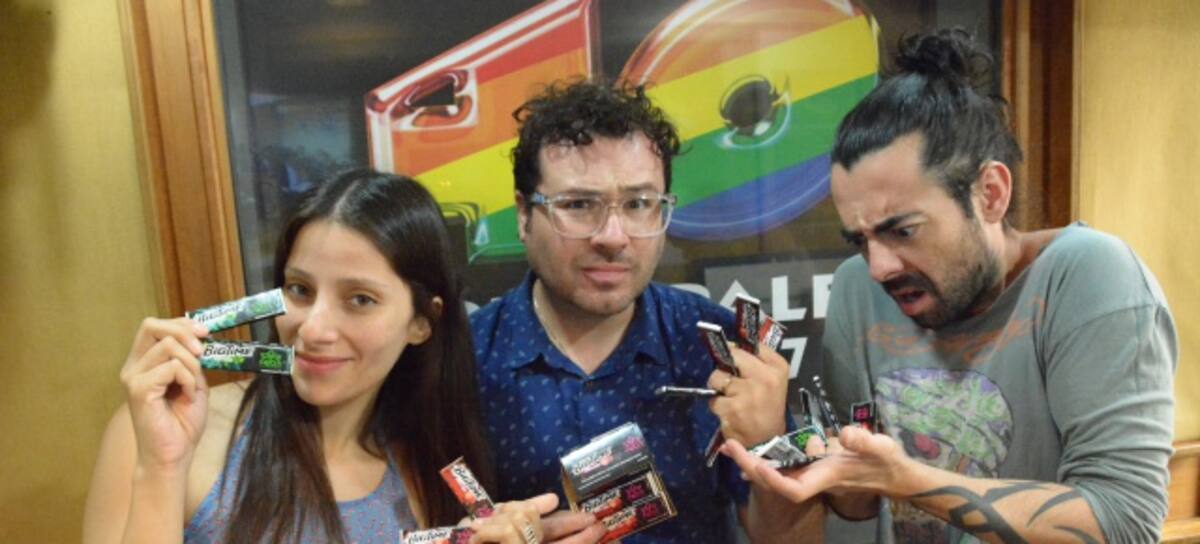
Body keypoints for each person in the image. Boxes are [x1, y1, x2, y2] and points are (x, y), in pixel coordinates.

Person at [721, 29, 1177, 543]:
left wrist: (907, 480)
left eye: (902, 231)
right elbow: (858, 502)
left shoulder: (1090, 277)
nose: (879, 267)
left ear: (990, 195)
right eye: (860, 240)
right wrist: (798, 455)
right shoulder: (856, 287)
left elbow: (1125, 523)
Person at [84, 170, 559, 544]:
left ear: (421, 322)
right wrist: (162, 468)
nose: (312, 328)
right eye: (300, 290)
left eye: (359, 300)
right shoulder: (168, 433)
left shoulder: (433, 465)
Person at [470, 79, 821, 543]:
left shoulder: (719, 345)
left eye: (639, 204)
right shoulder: (461, 360)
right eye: (578, 204)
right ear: (523, 214)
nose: (613, 236)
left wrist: (769, 440)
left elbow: (798, 540)